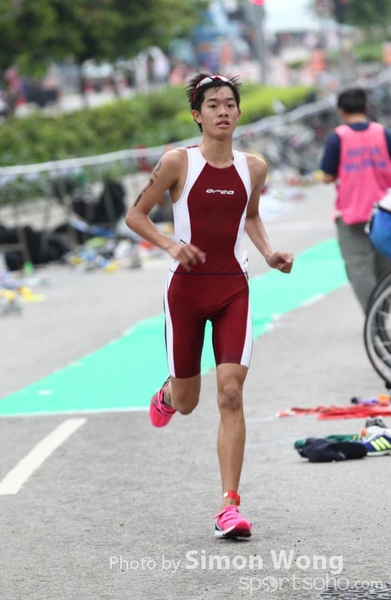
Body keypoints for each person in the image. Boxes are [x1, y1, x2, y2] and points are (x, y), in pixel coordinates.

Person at [125, 73, 294, 539]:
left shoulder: (253, 167)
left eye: (229, 104)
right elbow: (135, 215)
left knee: (231, 393)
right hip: (185, 291)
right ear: (197, 115)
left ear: (238, 112)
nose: (223, 111)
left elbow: (251, 215)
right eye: (213, 104)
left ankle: (229, 507)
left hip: (232, 288)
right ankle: (168, 394)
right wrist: (170, 245)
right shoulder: (177, 162)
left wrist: (268, 253)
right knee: (187, 402)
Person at [320, 86, 391, 313]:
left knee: (359, 268)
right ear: (367, 107)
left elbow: (327, 175)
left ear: (341, 111)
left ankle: (373, 315)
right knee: (385, 267)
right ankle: (382, 313)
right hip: (384, 213)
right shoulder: (383, 133)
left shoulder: (338, 137)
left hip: (351, 212)